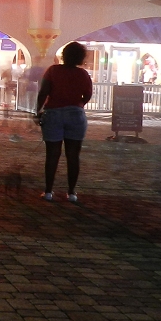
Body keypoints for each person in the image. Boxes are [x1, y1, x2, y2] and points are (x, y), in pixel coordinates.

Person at [35, 42, 94, 203]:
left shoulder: (53, 71)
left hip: (53, 113)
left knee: (52, 154)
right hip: (75, 114)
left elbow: (43, 92)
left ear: (64, 55)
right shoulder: (83, 75)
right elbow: (87, 95)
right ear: (81, 57)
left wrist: (37, 111)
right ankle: (72, 192)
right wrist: (77, 104)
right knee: (73, 155)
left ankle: (48, 191)